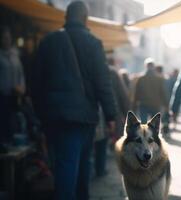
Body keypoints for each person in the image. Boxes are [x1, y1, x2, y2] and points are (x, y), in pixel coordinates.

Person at [31, 1, 116, 200]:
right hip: (84, 116)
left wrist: (40, 113)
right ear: (85, 19)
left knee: (64, 164)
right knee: (81, 164)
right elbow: (103, 83)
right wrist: (111, 115)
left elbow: (35, 81)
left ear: (65, 17)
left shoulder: (48, 42)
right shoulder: (93, 43)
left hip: (54, 115)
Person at [0, 26, 26, 143]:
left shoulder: (15, 55)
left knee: (14, 122)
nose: (6, 40)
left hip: (16, 96)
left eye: (8, 38)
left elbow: (21, 74)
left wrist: (21, 87)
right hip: (3, 95)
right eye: (4, 38)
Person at [133, 58, 168, 123]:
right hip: (155, 104)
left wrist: (134, 105)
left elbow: (136, 93)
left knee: (143, 123)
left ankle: (144, 133)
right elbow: (163, 92)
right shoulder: (159, 79)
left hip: (143, 104)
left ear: (146, 66)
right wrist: (166, 105)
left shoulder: (141, 78)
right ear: (153, 66)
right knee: (154, 125)